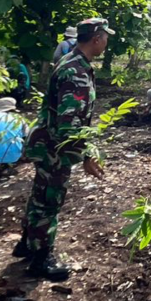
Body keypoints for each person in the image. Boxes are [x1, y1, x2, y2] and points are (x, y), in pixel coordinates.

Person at [14, 17, 111, 281]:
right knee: (49, 201)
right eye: (106, 37)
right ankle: (41, 259)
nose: (107, 42)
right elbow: (70, 123)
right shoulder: (76, 71)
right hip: (55, 149)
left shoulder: (71, 61)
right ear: (96, 39)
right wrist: (88, 155)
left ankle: (27, 243)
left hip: (48, 144)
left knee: (39, 196)